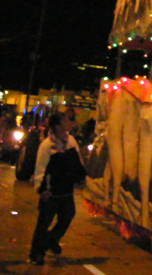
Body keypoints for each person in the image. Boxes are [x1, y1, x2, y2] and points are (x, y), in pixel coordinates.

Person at [29, 112, 86, 265]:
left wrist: (80, 177)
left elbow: (77, 163)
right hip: (51, 191)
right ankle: (36, 253)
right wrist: (41, 190)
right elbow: (40, 168)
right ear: (57, 125)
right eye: (65, 121)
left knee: (66, 218)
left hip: (66, 190)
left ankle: (51, 240)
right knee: (44, 222)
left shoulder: (71, 141)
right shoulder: (47, 145)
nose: (68, 123)